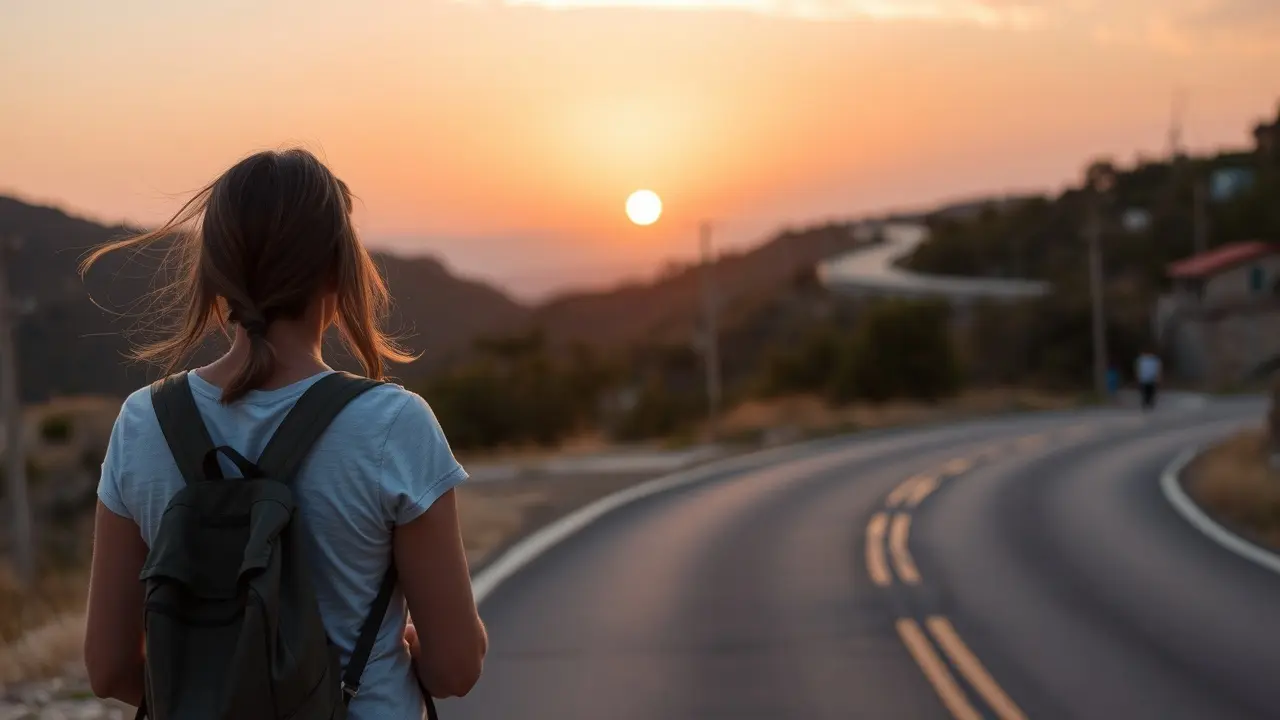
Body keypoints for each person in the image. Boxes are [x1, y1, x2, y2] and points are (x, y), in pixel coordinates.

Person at [80, 148, 487, 718]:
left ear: (214, 273)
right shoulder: (393, 424)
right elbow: (456, 669)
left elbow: (108, 668)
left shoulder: (141, 424)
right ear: (338, 269)